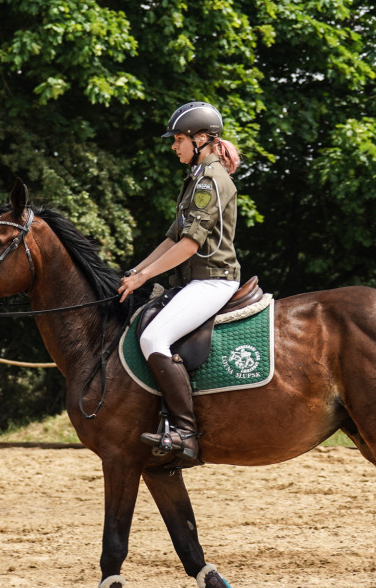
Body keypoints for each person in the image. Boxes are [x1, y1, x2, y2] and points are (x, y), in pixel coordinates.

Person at [116, 101, 243, 465]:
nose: (174, 146)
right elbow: (172, 239)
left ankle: (185, 432)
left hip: (212, 281)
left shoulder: (211, 181)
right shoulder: (195, 179)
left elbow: (189, 246)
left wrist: (144, 276)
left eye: (179, 139)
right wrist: (135, 272)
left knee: (153, 337)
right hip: (193, 282)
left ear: (202, 139)